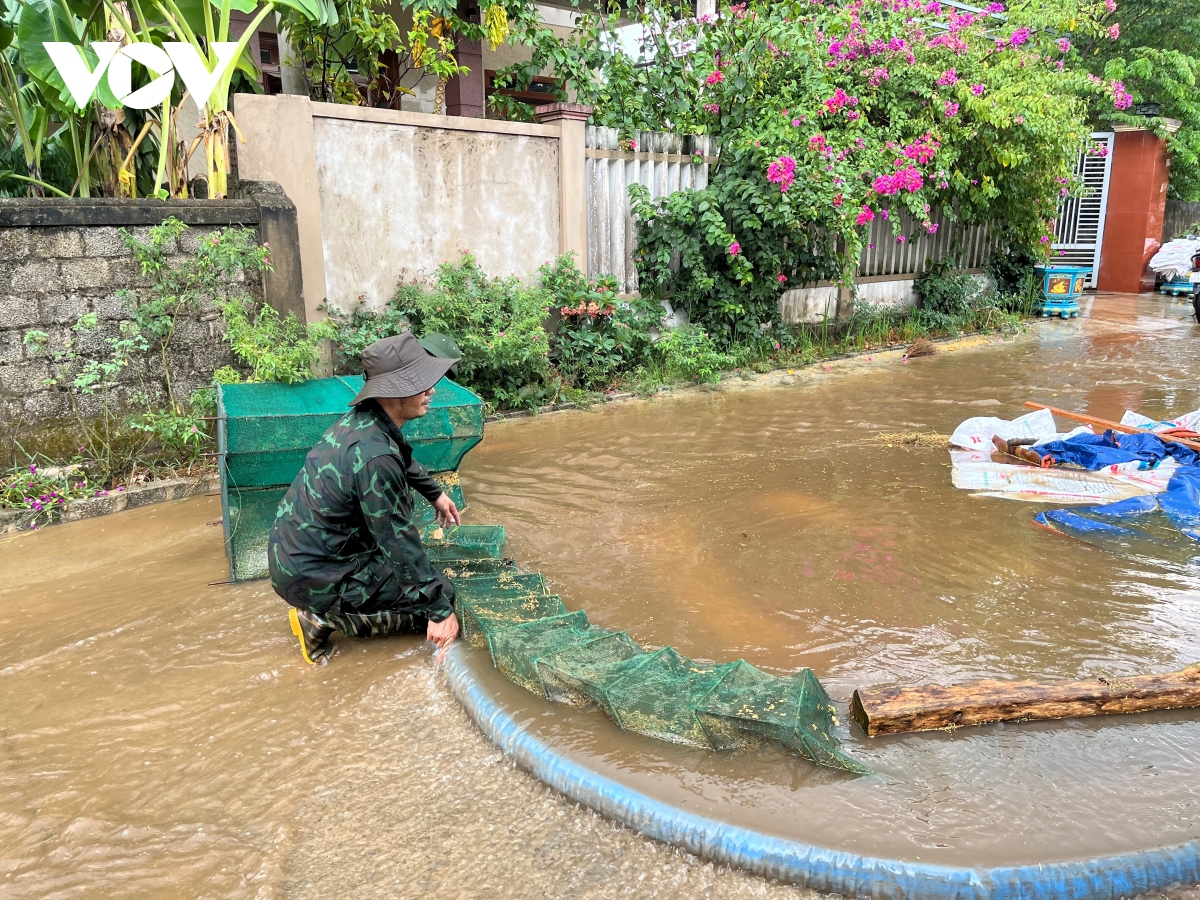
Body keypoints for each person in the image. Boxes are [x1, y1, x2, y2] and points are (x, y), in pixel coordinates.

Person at [268, 333, 463, 664]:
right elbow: (397, 541)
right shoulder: (375, 457)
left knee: (421, 577)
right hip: (315, 574)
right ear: (395, 389)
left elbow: (400, 456)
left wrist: (435, 493)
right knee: (439, 595)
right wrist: (440, 610)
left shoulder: (364, 422)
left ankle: (328, 605)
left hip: (296, 559)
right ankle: (320, 618)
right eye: (422, 383)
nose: (431, 391)